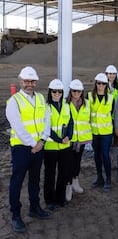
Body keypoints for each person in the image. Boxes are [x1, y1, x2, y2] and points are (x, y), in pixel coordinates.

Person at [6, 66, 51, 233]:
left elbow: (47, 120)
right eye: (27, 81)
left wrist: (42, 140)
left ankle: (34, 207)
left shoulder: (40, 98)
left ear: (36, 82)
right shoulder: (14, 101)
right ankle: (15, 215)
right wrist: (34, 144)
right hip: (21, 148)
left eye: (32, 81)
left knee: (34, 180)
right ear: (21, 81)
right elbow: (17, 127)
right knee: (16, 182)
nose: (30, 84)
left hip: (38, 146)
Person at [43, 79, 74, 207]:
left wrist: (69, 136)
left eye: (59, 92)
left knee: (63, 173)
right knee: (50, 174)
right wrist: (59, 139)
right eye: (54, 91)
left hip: (65, 147)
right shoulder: (46, 107)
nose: (57, 94)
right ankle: (49, 200)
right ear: (50, 92)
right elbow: (46, 128)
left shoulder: (66, 106)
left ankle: (60, 198)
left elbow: (71, 123)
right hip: (51, 146)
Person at [88, 73, 114, 192]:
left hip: (106, 132)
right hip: (94, 132)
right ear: (96, 84)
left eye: (103, 83)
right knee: (96, 155)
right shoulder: (89, 96)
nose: (101, 86)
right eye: (99, 83)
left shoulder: (110, 97)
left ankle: (108, 179)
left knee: (105, 154)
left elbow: (112, 113)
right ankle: (100, 177)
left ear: (106, 85)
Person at [66, 79, 92, 194]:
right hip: (70, 140)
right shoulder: (65, 104)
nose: (77, 93)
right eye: (74, 91)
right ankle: (68, 185)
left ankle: (75, 182)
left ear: (82, 91)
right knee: (69, 163)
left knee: (77, 162)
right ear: (71, 91)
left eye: (79, 91)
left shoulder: (87, 104)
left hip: (81, 140)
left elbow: (89, 120)